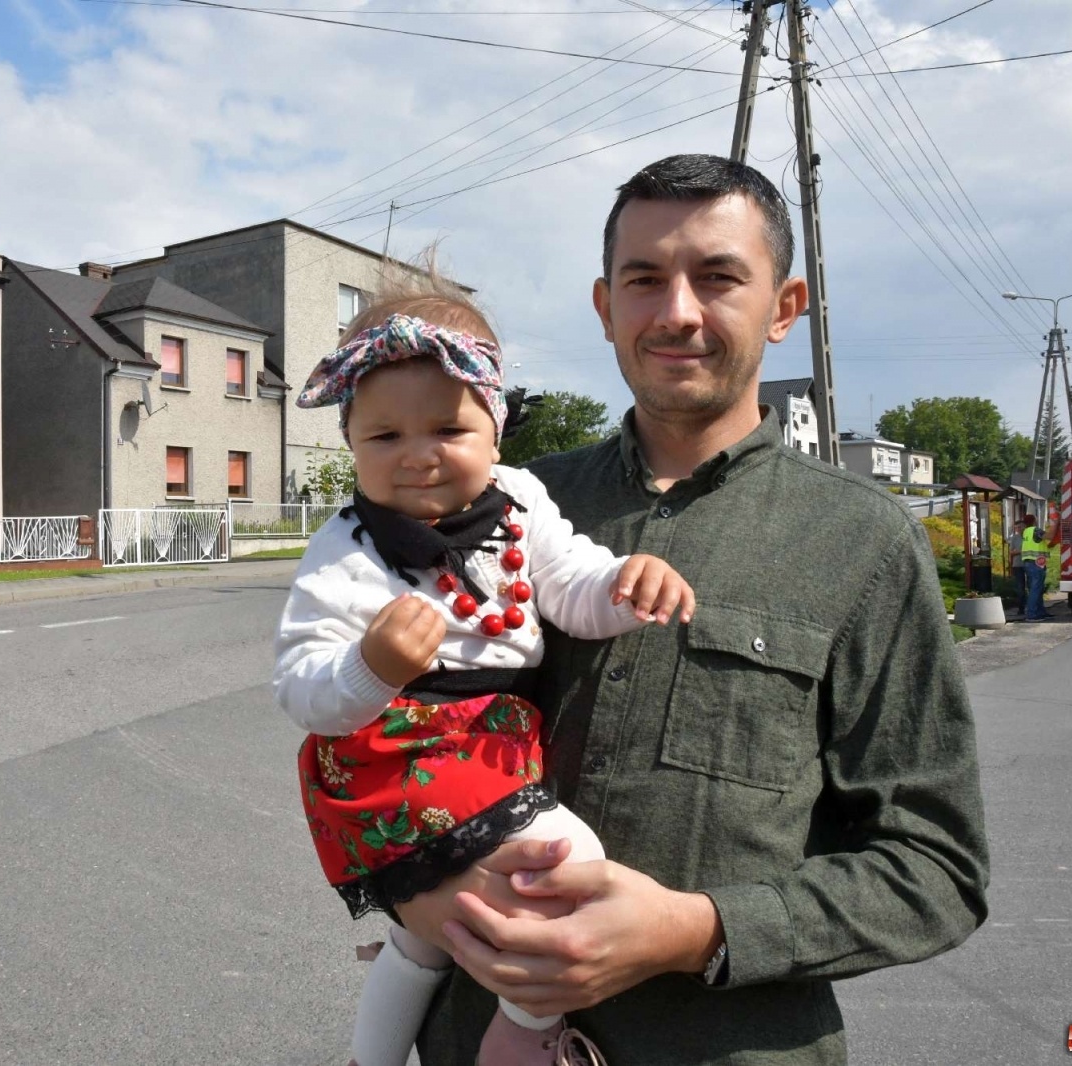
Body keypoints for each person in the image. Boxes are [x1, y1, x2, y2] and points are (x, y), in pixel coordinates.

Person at [402, 154, 991, 1065]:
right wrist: (412, 896)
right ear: (606, 307)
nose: (677, 311)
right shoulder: (504, 508)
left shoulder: (863, 543)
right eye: (644, 280)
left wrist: (695, 931)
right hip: (470, 1036)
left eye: (718, 278)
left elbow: (936, 870)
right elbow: (386, 741)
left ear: (784, 308)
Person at [273, 275, 694, 1066]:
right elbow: (299, 683)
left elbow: (570, 586)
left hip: (490, 741)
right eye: (384, 436)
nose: (417, 456)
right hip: (396, 749)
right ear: (350, 441)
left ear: (495, 432)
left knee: (421, 946)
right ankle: (524, 1031)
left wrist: (625, 585)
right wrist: (369, 667)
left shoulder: (520, 500)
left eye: (448, 428)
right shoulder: (347, 547)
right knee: (570, 859)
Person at [1021, 517, 1053, 621]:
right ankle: (1032, 614)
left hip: (1029, 562)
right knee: (1036, 589)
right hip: (1036, 563)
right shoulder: (1036, 531)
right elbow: (1050, 536)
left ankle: (1040, 612)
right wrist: (1056, 523)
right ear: (1034, 521)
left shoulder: (1026, 532)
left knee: (1036, 588)